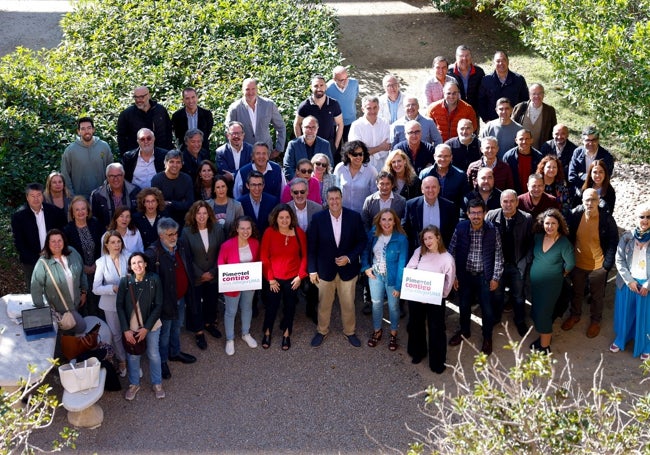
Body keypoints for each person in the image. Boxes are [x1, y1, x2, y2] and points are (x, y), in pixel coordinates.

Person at [308, 187, 367, 348]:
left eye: (337, 198)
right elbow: (311, 246)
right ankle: (322, 331)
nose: (334, 201)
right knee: (324, 304)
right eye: (331, 199)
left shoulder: (353, 217)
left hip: (348, 270)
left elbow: (362, 241)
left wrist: (349, 258)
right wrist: (312, 269)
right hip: (324, 271)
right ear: (326, 201)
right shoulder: (318, 218)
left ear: (342, 198)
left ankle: (349, 331)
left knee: (348, 303)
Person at [448, 198, 504, 355]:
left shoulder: (493, 230)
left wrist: (495, 277)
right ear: (467, 214)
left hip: (484, 277)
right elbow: (450, 252)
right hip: (465, 275)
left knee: (487, 310)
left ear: (485, 213)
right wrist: (454, 277)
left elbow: (499, 255)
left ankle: (487, 337)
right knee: (463, 306)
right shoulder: (460, 228)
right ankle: (464, 331)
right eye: (473, 213)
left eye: (479, 212)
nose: (476, 216)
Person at [561, 188, 619, 338]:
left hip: (599, 265)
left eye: (593, 199)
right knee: (577, 292)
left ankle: (595, 320)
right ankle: (575, 315)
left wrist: (607, 265)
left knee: (596, 296)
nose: (590, 203)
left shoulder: (606, 219)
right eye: (587, 199)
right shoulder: (575, 215)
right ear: (582, 201)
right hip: (578, 263)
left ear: (599, 201)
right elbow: (567, 237)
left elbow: (613, 242)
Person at [145, 217, 197, 380]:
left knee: (177, 327)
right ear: (161, 236)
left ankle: (175, 353)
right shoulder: (152, 254)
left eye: (175, 233)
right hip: (165, 303)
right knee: (164, 333)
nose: (174, 237)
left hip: (181, 297)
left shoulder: (180, 245)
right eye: (169, 235)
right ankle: (162, 361)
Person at [405, 225, 456, 373]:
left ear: (438, 238)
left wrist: (439, 295)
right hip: (416, 296)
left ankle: (437, 362)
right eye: (425, 238)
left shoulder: (447, 258)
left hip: (435, 299)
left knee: (436, 330)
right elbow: (409, 269)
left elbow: (449, 281)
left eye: (430, 238)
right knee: (416, 325)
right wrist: (418, 290)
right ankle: (418, 352)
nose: (427, 241)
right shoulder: (419, 252)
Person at [116, 252, 164, 400]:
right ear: (130, 267)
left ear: (146, 264)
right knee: (133, 356)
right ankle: (134, 384)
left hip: (151, 325)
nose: (137, 265)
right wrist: (125, 330)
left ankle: (157, 383)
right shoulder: (126, 281)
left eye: (140, 262)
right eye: (134, 263)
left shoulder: (154, 279)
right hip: (131, 326)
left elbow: (159, 305)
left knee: (153, 354)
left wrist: (147, 328)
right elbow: (119, 306)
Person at [485, 190, 534, 337]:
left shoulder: (526, 218)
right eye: (505, 201)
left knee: (518, 296)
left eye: (512, 201)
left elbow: (531, 243)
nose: (508, 204)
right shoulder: (491, 216)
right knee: (498, 294)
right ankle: (496, 317)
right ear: (500, 203)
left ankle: (519, 320)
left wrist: (525, 262)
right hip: (498, 265)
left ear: (517, 202)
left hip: (517, 264)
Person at [260, 204, 308, 350]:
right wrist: (270, 278)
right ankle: (267, 332)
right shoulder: (269, 232)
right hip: (274, 278)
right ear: (276, 218)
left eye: (287, 217)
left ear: (291, 218)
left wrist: (300, 276)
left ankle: (287, 333)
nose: (284, 220)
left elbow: (305, 256)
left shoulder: (299, 233)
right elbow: (264, 256)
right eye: (281, 217)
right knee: (271, 307)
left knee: (290, 307)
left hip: (293, 278)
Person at [180, 201, 226, 350]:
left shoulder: (217, 229)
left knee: (211, 301)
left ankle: (209, 324)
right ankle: (198, 331)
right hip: (195, 276)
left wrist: (213, 272)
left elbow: (222, 251)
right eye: (198, 213)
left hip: (213, 274)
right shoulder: (186, 232)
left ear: (209, 214)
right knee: (194, 304)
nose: (201, 216)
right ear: (194, 215)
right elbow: (186, 256)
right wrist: (201, 274)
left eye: (204, 213)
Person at [361, 209, 409, 351]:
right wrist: (366, 267)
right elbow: (365, 251)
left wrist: (399, 286)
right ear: (379, 220)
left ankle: (393, 333)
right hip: (376, 275)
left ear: (395, 222)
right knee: (376, 304)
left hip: (393, 277)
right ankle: (377, 331)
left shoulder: (401, 238)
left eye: (390, 219)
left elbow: (402, 264)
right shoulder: (374, 233)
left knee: (393, 306)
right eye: (383, 219)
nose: (386, 223)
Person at [529, 209, 575, 353]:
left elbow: (570, 264)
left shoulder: (564, 243)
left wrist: (560, 273)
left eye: (553, 223)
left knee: (544, 313)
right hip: (536, 283)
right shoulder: (538, 237)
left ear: (559, 224)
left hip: (551, 285)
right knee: (537, 310)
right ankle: (543, 337)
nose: (550, 226)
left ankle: (545, 347)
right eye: (547, 223)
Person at [611, 203, 650, 360]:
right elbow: (619, 260)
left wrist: (648, 284)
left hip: (646, 285)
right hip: (628, 283)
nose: (645, 220)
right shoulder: (627, 237)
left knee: (646, 316)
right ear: (636, 218)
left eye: (648, 217)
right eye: (642, 216)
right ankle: (621, 339)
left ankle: (646, 345)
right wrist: (629, 281)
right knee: (625, 313)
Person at [217, 216, 260, 356]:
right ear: (236, 229)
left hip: (249, 282)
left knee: (247, 307)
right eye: (242, 228)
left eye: (248, 228)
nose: (245, 231)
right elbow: (220, 264)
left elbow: (258, 261)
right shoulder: (227, 245)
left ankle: (245, 333)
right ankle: (230, 339)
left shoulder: (255, 243)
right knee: (231, 311)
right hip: (232, 284)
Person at [31, 229, 87, 334]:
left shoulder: (72, 252)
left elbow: (82, 272)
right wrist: (41, 310)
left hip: (77, 303)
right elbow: (36, 286)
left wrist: (84, 292)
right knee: (81, 327)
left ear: (64, 241)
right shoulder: (43, 262)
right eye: (53, 241)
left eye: (59, 240)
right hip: (61, 309)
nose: (57, 244)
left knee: (72, 333)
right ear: (48, 243)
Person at [12, 183, 67, 288]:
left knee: (57, 290)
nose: (36, 199)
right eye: (32, 196)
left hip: (55, 258)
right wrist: (36, 259)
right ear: (27, 197)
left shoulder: (55, 212)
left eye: (38, 195)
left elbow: (63, 235)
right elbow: (19, 243)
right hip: (31, 262)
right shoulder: (19, 217)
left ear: (43, 196)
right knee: (35, 292)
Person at [92, 230, 129, 376]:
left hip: (129, 303)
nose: (116, 245)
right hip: (110, 304)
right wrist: (112, 288)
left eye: (119, 241)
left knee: (130, 331)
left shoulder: (129, 256)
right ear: (106, 245)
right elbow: (95, 288)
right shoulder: (101, 262)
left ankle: (133, 360)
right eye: (112, 242)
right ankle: (122, 360)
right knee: (116, 334)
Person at [286, 178, 323, 323]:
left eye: (302, 191)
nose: (299, 195)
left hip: (312, 250)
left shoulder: (318, 208)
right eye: (296, 192)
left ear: (307, 192)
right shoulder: (285, 209)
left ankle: (310, 308)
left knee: (314, 282)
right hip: (291, 251)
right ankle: (290, 308)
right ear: (291, 193)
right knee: (291, 282)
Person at [225, 78, 286, 157]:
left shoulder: (269, 105)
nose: (250, 92)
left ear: (257, 89)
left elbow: (280, 126)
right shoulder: (235, 108)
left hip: (265, 152)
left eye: (253, 89)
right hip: (243, 153)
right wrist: (233, 151)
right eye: (247, 89)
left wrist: (279, 148)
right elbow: (228, 131)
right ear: (242, 90)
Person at [63, 196, 103, 315]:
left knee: (98, 302)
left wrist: (96, 264)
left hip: (98, 270)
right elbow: (66, 253)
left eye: (83, 209)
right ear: (72, 213)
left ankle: (101, 328)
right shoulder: (67, 230)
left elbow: (103, 246)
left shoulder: (95, 224)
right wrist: (83, 267)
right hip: (79, 273)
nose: (81, 212)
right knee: (84, 304)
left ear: (87, 211)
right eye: (77, 210)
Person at [60, 116, 113, 199]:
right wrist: (72, 196)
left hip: (102, 196)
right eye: (83, 129)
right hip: (79, 198)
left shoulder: (104, 147)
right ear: (78, 132)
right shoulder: (70, 150)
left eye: (89, 128)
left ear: (93, 129)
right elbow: (65, 174)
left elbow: (111, 171)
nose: (86, 131)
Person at [402, 176, 458, 253]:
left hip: (441, 253)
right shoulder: (411, 205)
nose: (431, 190)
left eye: (434, 187)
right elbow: (405, 229)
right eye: (427, 187)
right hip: (418, 253)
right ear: (422, 189)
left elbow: (452, 232)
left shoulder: (449, 207)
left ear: (439, 189)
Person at [294, 75, 343, 156]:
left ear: (326, 87)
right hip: (310, 144)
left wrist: (336, 144)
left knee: (328, 168)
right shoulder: (304, 106)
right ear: (311, 87)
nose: (319, 88)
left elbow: (340, 124)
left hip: (328, 145)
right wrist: (301, 143)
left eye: (321, 85)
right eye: (316, 86)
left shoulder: (334, 104)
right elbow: (297, 124)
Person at [117, 85, 173, 155]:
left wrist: (168, 153)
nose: (138, 100)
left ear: (149, 96)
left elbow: (168, 132)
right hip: (137, 158)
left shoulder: (160, 111)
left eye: (141, 97)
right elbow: (121, 138)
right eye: (136, 97)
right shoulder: (126, 115)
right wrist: (127, 157)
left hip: (161, 156)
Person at [478, 51, 529, 122]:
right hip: (493, 122)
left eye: (503, 60)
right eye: (498, 61)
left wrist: (519, 118)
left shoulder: (519, 80)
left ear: (508, 61)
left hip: (514, 122)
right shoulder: (486, 80)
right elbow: (481, 101)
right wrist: (486, 119)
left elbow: (525, 101)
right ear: (493, 63)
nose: (501, 63)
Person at [90, 163, 141, 230]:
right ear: (107, 177)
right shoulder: (97, 195)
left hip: (131, 233)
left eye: (119, 175)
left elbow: (140, 215)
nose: (115, 179)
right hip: (107, 234)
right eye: (112, 176)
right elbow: (95, 220)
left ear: (123, 175)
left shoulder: (135, 191)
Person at [151, 149, 194, 227]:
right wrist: (181, 203)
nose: (175, 165)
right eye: (171, 162)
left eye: (178, 162)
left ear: (181, 164)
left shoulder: (187, 179)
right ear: (165, 163)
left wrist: (170, 203)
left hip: (183, 219)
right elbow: (157, 205)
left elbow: (189, 203)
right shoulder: (157, 179)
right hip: (162, 220)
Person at [348, 95, 391, 172]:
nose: (372, 111)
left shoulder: (385, 123)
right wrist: (379, 148)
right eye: (369, 108)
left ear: (378, 108)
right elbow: (357, 152)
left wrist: (368, 151)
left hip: (382, 167)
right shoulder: (356, 126)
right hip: (362, 168)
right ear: (362, 109)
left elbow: (387, 147)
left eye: (375, 107)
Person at [333, 140, 378, 214]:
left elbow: (375, 195)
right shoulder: (340, 168)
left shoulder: (371, 171)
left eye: (361, 154)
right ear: (348, 154)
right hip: (343, 213)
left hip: (363, 215)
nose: (358, 157)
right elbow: (334, 190)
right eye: (355, 154)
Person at [419, 143, 469, 207]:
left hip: (452, 213)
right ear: (434, 157)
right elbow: (419, 196)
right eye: (440, 156)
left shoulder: (460, 176)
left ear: (451, 157)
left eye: (446, 156)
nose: (443, 159)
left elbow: (464, 200)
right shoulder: (425, 174)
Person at [283, 116, 333, 181]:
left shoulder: (325, 144)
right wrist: (299, 184)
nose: (310, 130)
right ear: (302, 128)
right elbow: (288, 168)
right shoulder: (293, 144)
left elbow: (329, 166)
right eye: (307, 127)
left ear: (317, 128)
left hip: (319, 183)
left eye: (313, 127)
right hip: (299, 186)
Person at [568, 125, 615, 193]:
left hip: (599, 191)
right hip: (580, 189)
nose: (590, 143)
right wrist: (585, 187)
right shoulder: (577, 152)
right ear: (583, 141)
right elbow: (571, 176)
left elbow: (604, 179)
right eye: (587, 140)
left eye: (594, 140)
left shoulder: (606, 157)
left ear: (598, 140)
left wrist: (581, 175)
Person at [511, 84, 557, 150]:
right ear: (529, 95)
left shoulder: (549, 111)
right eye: (534, 94)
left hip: (540, 151)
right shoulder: (520, 107)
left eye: (539, 93)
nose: (537, 96)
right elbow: (512, 127)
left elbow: (553, 131)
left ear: (543, 94)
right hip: (520, 150)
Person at [326, 66, 359, 147]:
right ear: (334, 79)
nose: (345, 82)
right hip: (334, 123)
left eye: (346, 78)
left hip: (350, 121)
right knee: (335, 147)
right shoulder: (328, 88)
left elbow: (355, 96)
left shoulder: (354, 83)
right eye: (341, 80)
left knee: (350, 146)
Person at [171, 87, 214, 151]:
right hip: (184, 151)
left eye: (193, 97)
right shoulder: (177, 116)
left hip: (203, 150)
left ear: (197, 97)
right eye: (187, 98)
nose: (191, 101)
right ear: (183, 100)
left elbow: (207, 133)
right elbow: (178, 135)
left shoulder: (206, 114)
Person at [236, 170, 278, 236]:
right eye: (253, 185)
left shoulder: (272, 201)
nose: (257, 188)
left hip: (267, 239)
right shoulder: (240, 203)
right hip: (248, 240)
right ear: (247, 185)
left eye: (259, 184)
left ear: (263, 185)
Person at [502, 129, 543, 194]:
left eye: (527, 139)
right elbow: (505, 177)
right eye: (521, 139)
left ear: (531, 140)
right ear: (516, 140)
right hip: (514, 194)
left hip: (533, 193)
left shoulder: (538, 157)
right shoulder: (508, 157)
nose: (524, 141)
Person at [447, 44, 485, 114]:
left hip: (473, 112)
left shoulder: (479, 72)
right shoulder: (449, 72)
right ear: (456, 57)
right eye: (461, 56)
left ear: (471, 56)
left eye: (467, 55)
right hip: (454, 112)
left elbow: (482, 94)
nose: (464, 58)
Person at [215, 121, 254, 185]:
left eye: (239, 133)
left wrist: (233, 175)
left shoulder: (251, 150)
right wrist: (244, 172)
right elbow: (224, 174)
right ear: (228, 135)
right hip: (228, 188)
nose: (236, 136)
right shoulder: (220, 152)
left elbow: (251, 170)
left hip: (247, 186)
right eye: (233, 133)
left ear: (243, 135)